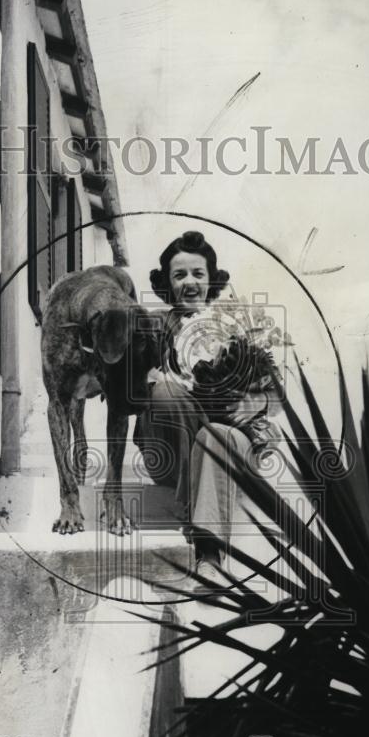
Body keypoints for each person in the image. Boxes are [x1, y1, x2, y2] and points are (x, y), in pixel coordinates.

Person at [133, 230, 282, 581]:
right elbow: (128, 382)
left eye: (198, 273)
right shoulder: (154, 326)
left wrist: (253, 401)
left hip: (226, 445)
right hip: (170, 448)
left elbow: (275, 394)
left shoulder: (237, 325)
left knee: (217, 435)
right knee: (165, 391)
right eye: (179, 275)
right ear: (168, 283)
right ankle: (193, 507)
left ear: (211, 280)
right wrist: (148, 376)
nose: (189, 282)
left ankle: (209, 558)